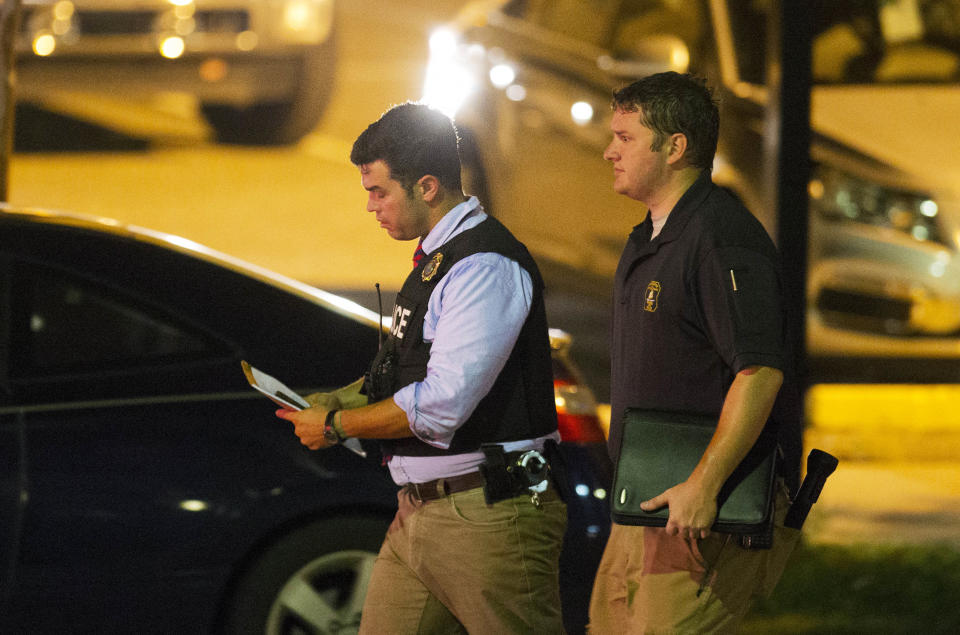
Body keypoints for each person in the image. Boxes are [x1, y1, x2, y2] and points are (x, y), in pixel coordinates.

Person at [275, 102, 567, 634]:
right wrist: (341, 399)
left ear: (427, 186)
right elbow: (404, 373)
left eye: (379, 191)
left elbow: (441, 404)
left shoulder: (484, 265)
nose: (371, 206)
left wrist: (338, 426)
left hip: (488, 515)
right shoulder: (440, 258)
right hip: (422, 514)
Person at [588, 72, 800, 633]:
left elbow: (759, 373)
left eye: (626, 138)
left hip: (697, 517)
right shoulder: (648, 239)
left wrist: (704, 487)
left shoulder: (719, 237)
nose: (609, 151)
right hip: (643, 507)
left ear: (676, 146)